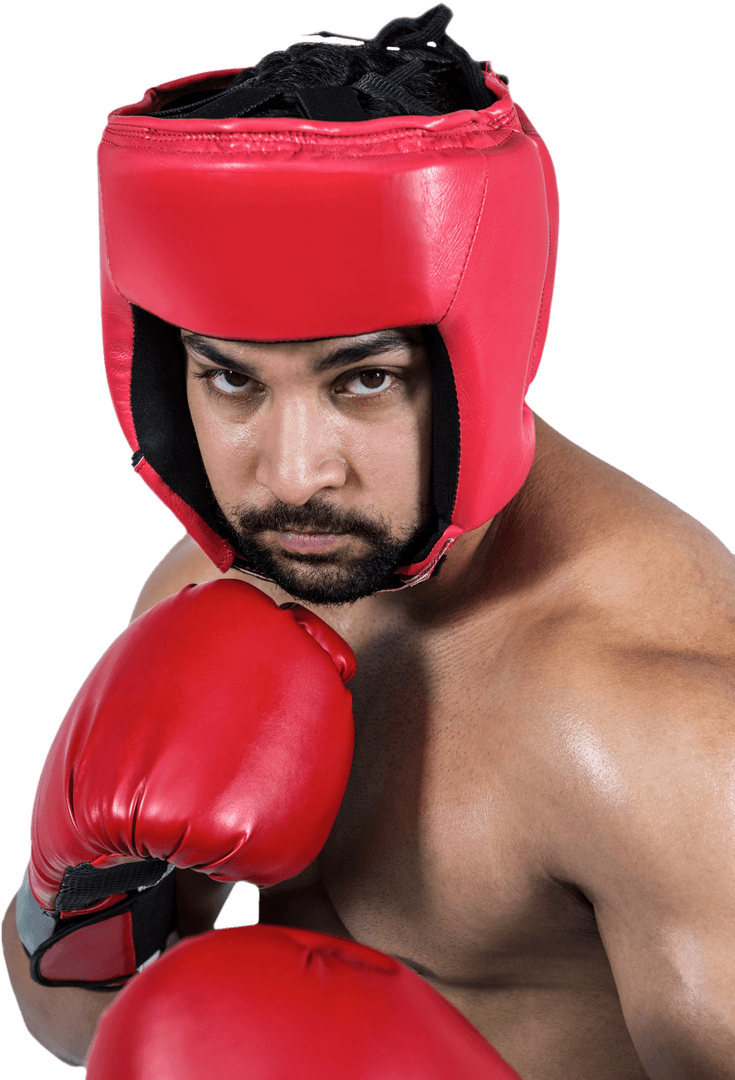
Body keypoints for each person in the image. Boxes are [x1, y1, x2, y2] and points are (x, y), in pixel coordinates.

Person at [2, 5, 734, 1077]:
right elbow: (73, 1021)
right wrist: (73, 896)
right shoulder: (219, 592)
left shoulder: (660, 730)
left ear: (474, 357)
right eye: (231, 379)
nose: (294, 474)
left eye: (365, 380)